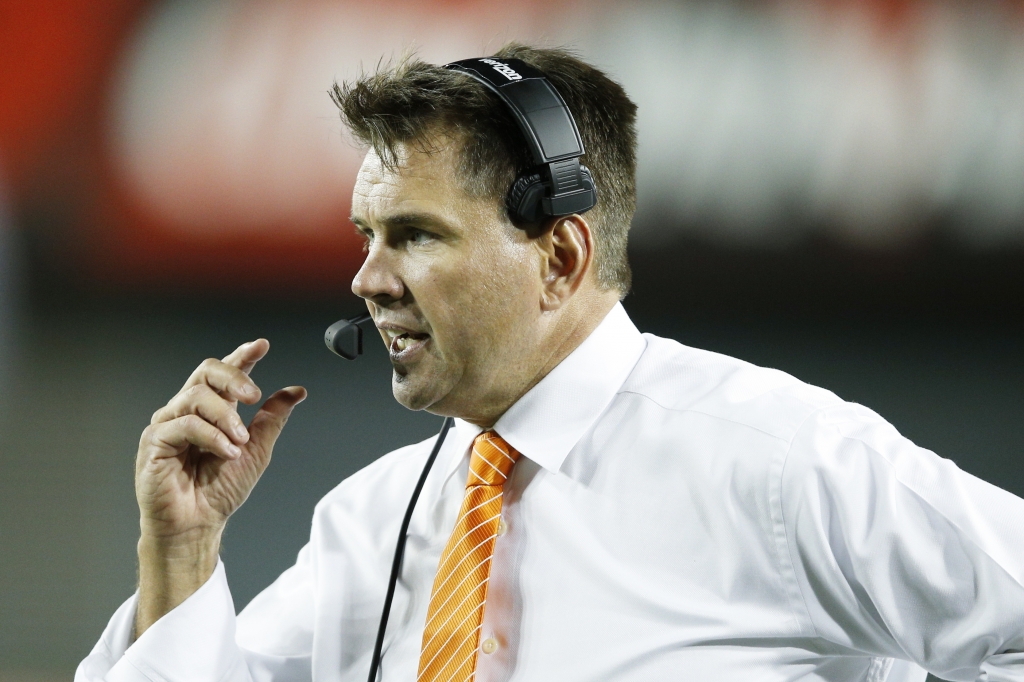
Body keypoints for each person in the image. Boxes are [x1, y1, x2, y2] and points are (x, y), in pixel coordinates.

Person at [77, 44, 1024, 682]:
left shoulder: (779, 461)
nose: (366, 278)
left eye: (415, 236)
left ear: (559, 257)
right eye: (368, 233)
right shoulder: (367, 525)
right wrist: (184, 550)